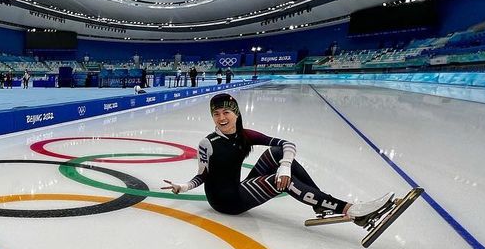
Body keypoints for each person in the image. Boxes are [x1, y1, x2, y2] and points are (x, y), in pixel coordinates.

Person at [162, 93, 394, 224]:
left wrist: (284, 166)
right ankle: (352, 210)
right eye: (216, 114)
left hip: (239, 188)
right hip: (225, 202)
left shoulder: (245, 136)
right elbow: (202, 176)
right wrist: (183, 187)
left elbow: (287, 144)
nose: (221, 118)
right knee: (279, 181)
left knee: (277, 154)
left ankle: (318, 206)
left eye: (226, 112)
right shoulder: (208, 142)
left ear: (236, 113)